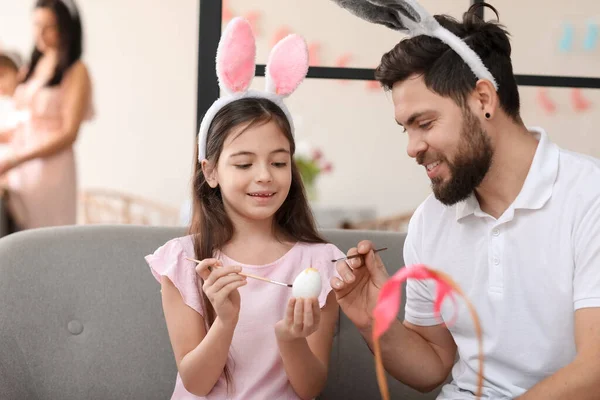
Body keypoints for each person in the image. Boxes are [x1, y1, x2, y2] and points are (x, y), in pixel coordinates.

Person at [329, 1, 600, 399]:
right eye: (405, 129)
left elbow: (594, 370)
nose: (412, 147)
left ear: (484, 100)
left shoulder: (588, 196)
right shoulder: (432, 220)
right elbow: (433, 365)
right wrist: (375, 323)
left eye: (425, 123)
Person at [145, 18, 343, 399]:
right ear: (211, 171)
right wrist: (226, 321)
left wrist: (291, 339)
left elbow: (310, 389)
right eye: (244, 163)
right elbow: (196, 382)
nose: (264, 176)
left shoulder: (320, 264)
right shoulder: (184, 261)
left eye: (279, 162)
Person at [0, 0, 93, 230]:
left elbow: (68, 133)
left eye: (48, 27)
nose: (40, 33)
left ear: (66, 29)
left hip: (49, 171)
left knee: (43, 238)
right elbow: (26, 119)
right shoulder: (34, 65)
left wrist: (15, 159)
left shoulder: (76, 71)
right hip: (20, 170)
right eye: (36, 25)